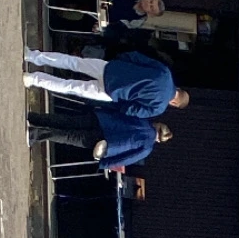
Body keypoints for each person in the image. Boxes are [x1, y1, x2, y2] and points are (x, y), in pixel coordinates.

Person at [24, 46, 189, 119]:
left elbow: (139, 58)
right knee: (70, 86)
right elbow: (133, 110)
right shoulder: (159, 108)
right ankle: (33, 79)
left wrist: (120, 60)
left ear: (179, 89)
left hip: (113, 69)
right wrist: (119, 103)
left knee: (73, 62)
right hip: (113, 92)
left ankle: (32, 56)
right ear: (174, 103)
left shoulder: (165, 73)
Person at [26, 108, 171, 173]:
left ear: (158, 125)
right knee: (68, 137)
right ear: (159, 139)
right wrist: (105, 163)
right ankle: (35, 133)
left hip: (103, 120)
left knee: (68, 121)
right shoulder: (147, 148)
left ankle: (34, 117)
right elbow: (126, 159)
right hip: (105, 143)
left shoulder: (144, 120)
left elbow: (124, 112)